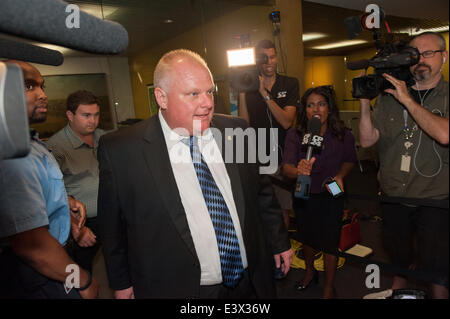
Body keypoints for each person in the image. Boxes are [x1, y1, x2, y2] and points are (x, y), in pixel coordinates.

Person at [97, 49, 292, 299]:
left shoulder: (237, 131)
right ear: (162, 97)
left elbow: (262, 194)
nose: (208, 103)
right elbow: (112, 227)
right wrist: (121, 283)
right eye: (193, 94)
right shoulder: (121, 150)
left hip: (249, 281)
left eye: (210, 91)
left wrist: (279, 242)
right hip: (180, 287)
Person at [358, 31, 449, 299]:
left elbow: (445, 134)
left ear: (444, 57)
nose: (420, 60)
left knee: (437, 268)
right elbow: (366, 140)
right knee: (398, 258)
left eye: (428, 53)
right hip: (393, 195)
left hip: (435, 198)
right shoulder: (388, 97)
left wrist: (407, 99)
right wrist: (364, 102)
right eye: (414, 54)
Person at [0, 60, 99, 299]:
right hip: (38, 274)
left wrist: (64, 201)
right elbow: (32, 246)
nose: (42, 95)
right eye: (28, 86)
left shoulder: (31, 143)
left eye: (42, 86)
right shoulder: (11, 153)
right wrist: (83, 281)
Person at [282, 85, 357, 299]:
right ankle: (309, 272)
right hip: (303, 191)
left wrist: (340, 175)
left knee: (329, 240)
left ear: (329, 108)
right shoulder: (295, 135)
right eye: (310, 105)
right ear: (304, 110)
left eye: (321, 104)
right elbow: (286, 167)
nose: (316, 109)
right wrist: (297, 171)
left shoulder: (343, 134)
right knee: (307, 235)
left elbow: (350, 160)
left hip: (331, 192)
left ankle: (328, 287)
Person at [238, 39, 300, 229]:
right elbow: (243, 125)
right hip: (259, 157)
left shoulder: (289, 83)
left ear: (276, 58)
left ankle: (284, 252)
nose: (269, 62)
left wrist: (263, 92)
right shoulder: (250, 89)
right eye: (264, 58)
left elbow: (286, 121)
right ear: (258, 61)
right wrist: (242, 91)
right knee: (260, 209)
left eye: (272, 57)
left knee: (282, 211)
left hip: (283, 158)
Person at [46, 90, 107, 273]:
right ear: (70, 115)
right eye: (86, 115)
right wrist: (76, 227)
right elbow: (51, 193)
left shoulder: (105, 139)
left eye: (96, 115)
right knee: (82, 272)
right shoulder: (55, 147)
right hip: (82, 222)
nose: (92, 121)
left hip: (111, 216)